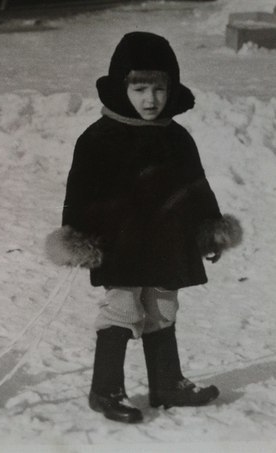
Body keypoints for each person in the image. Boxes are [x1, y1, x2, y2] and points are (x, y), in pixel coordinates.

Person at [45, 32, 242, 423]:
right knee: (122, 308)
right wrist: (78, 238)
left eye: (159, 89)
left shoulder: (177, 138)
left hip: (170, 242)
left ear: (172, 88)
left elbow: (196, 188)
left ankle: (166, 383)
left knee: (163, 308)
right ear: (123, 88)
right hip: (121, 244)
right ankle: (106, 390)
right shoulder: (98, 138)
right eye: (139, 89)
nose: (150, 99)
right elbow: (79, 193)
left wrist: (210, 229)